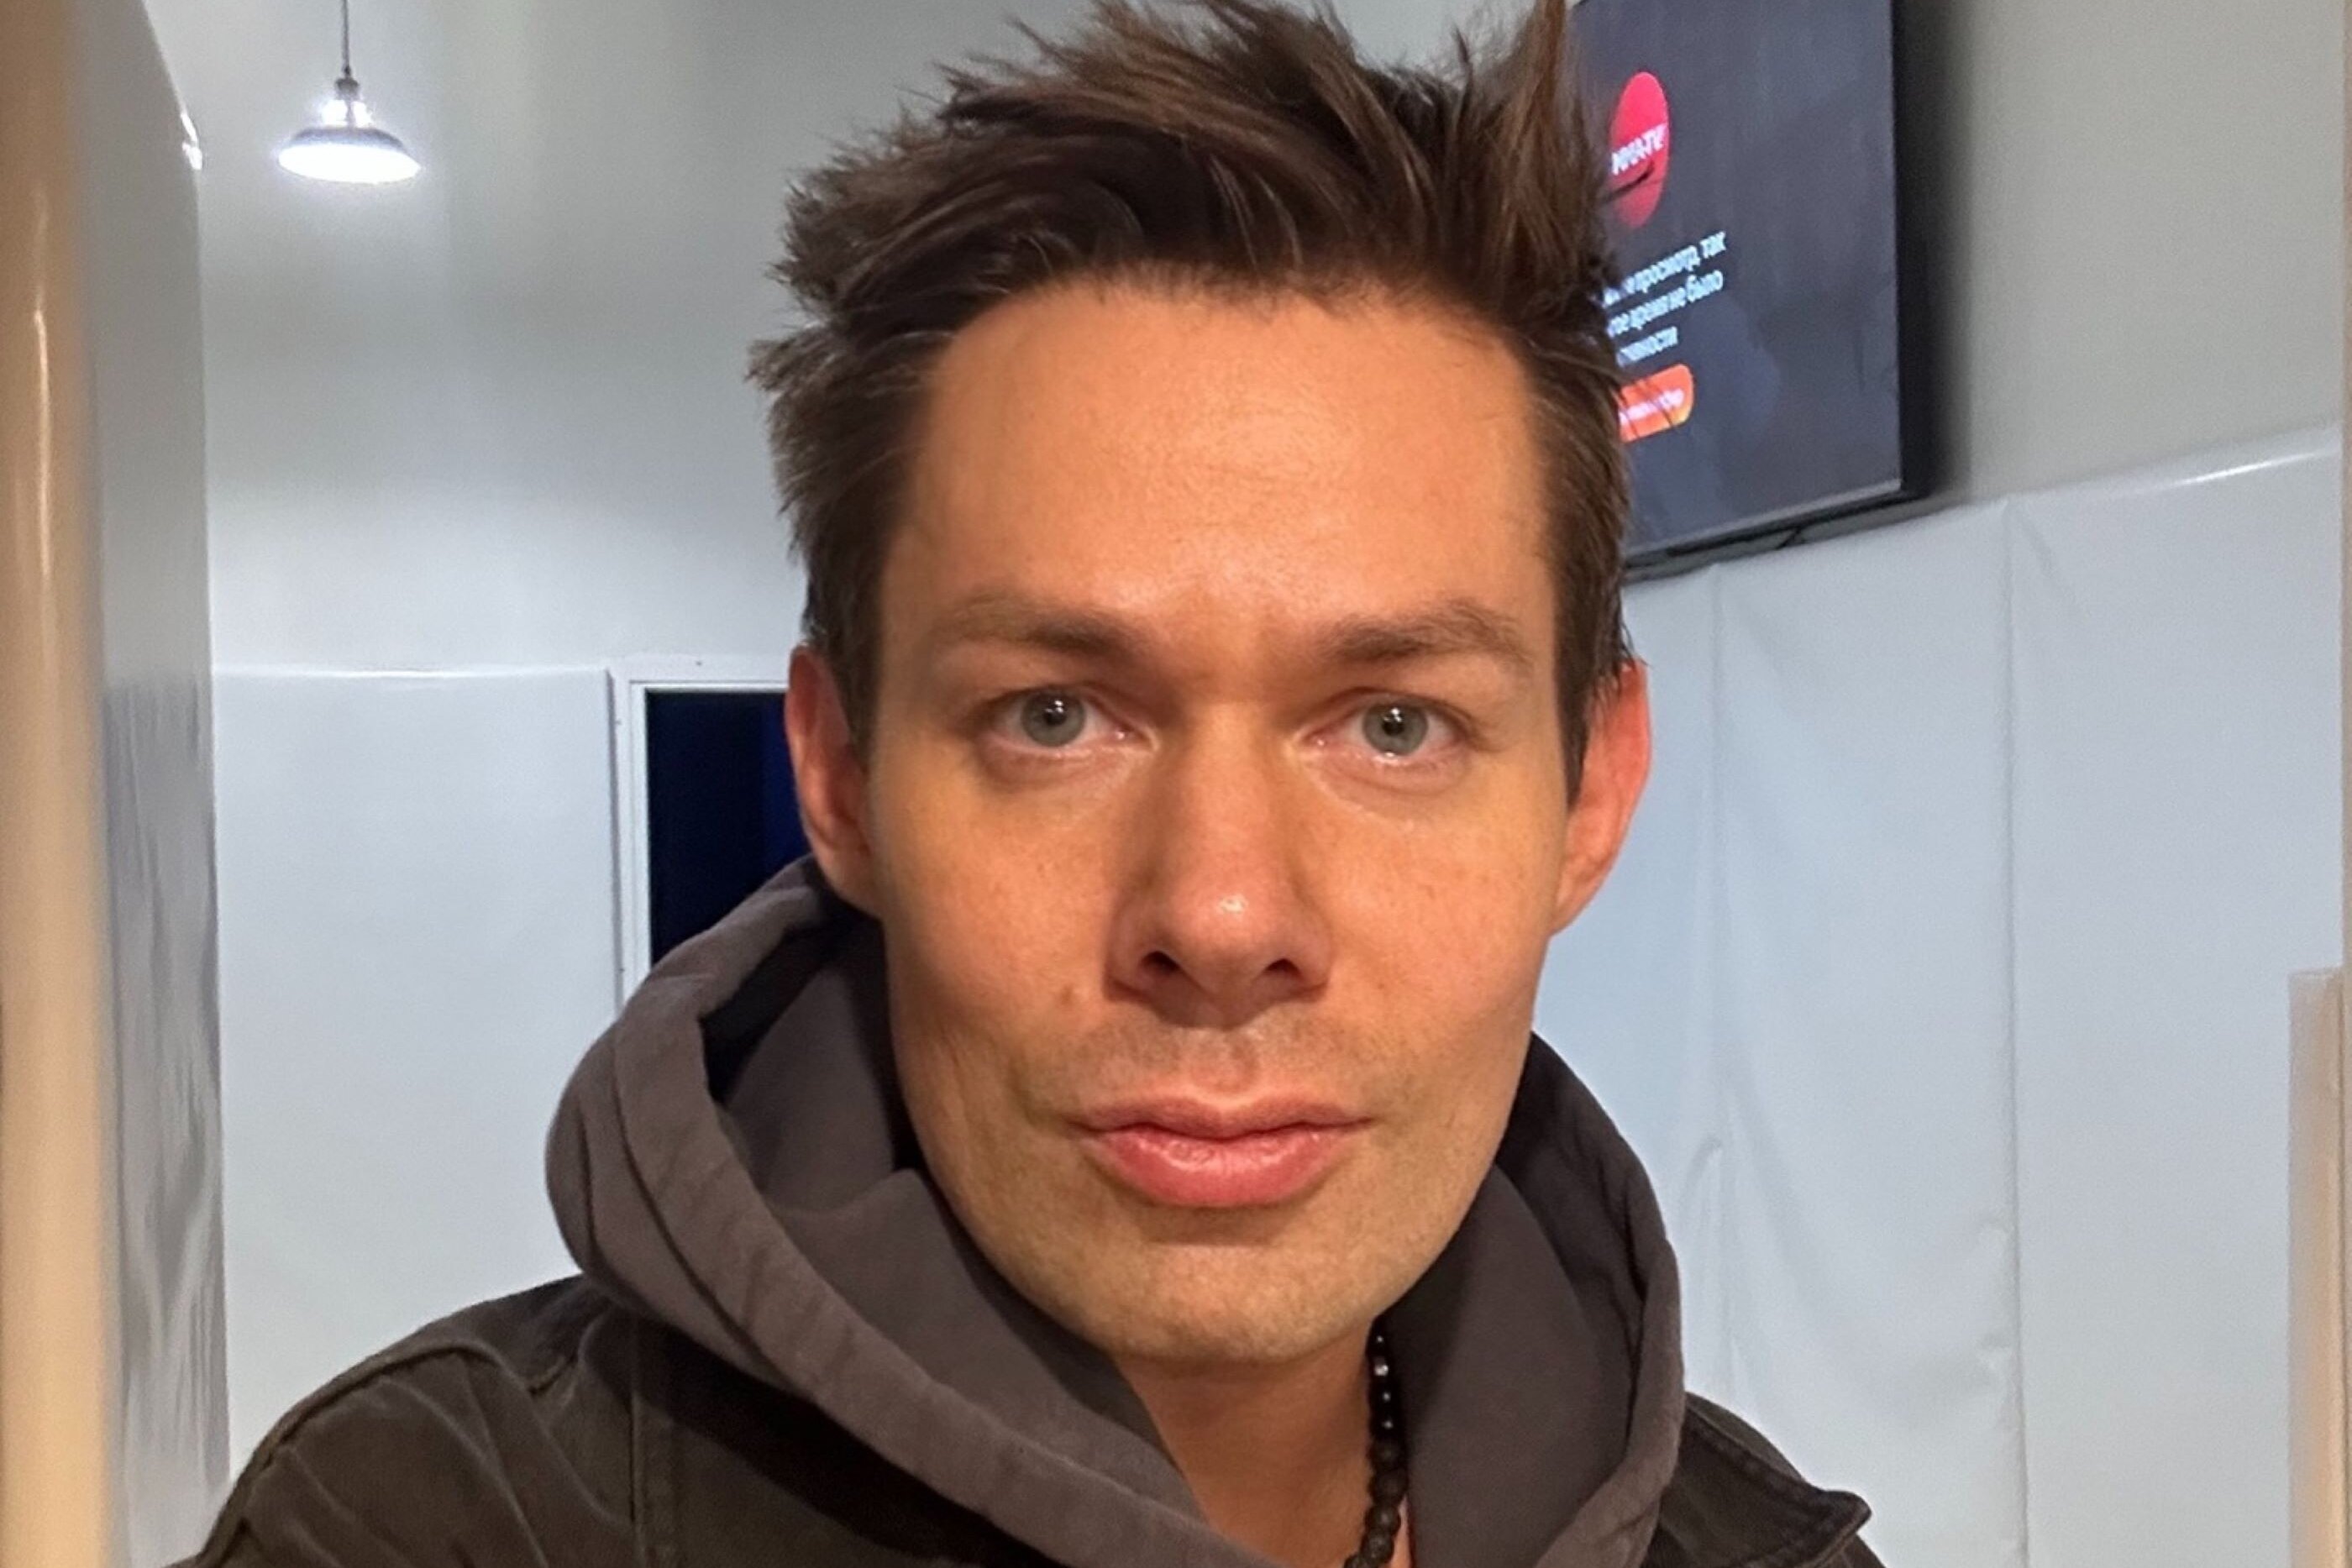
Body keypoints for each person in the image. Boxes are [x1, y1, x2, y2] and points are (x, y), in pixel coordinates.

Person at [180, 3, 1885, 1565]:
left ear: (1590, 796)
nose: (1221, 913)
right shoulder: (433, 1532)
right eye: (1056, 716)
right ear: (840, 775)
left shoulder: (1760, 1556)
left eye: (1391, 725)